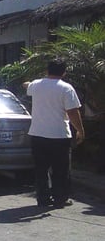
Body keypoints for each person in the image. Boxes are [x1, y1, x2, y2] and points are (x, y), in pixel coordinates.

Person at [23, 58, 85, 208]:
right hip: (59, 136)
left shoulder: (36, 85)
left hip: (38, 134)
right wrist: (80, 130)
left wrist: (28, 82)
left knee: (41, 169)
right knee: (61, 170)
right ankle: (60, 198)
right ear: (64, 72)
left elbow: (26, 85)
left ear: (47, 70)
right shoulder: (66, 88)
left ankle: (43, 199)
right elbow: (72, 112)